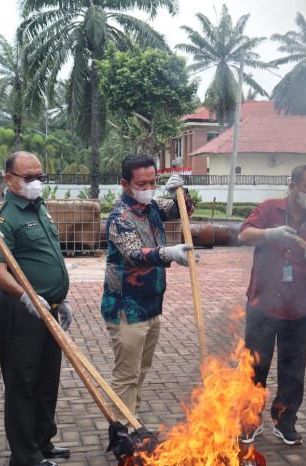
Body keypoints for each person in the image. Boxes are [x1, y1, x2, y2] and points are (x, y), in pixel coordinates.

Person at [238, 165, 306, 445]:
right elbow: (244, 234)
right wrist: (269, 234)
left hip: (298, 309)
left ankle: (285, 421)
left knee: (293, 370)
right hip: (263, 305)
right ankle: (249, 421)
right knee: (255, 367)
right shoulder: (269, 210)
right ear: (292, 187)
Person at [0, 152, 73, 466]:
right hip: (21, 311)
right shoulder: (3, 217)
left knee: (47, 378)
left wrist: (59, 298)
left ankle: (42, 441)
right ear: (9, 178)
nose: (36, 182)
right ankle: (24, 455)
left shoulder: (40, 208)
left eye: (40, 177)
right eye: (29, 177)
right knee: (22, 382)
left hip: (48, 308)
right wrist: (28, 297)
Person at [101, 155, 194, 422]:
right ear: (125, 184)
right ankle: (122, 430)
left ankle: (133, 421)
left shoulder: (152, 207)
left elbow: (182, 210)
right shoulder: (119, 217)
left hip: (151, 306)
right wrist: (169, 253)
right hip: (126, 309)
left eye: (153, 182)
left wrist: (180, 192)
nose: (149, 188)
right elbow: (134, 253)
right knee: (127, 375)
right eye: (142, 184)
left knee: (140, 370)